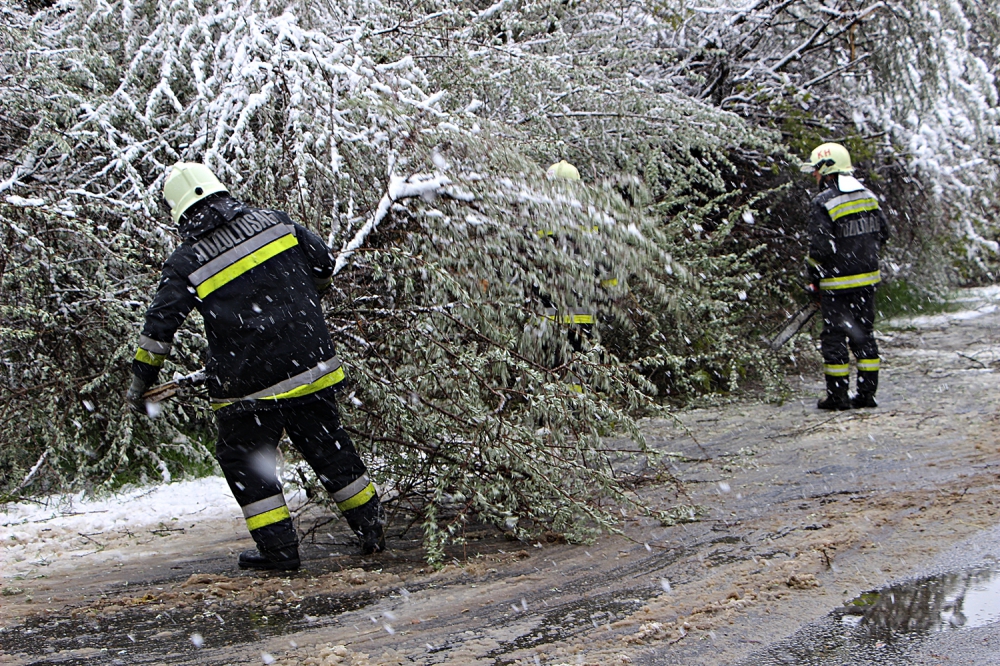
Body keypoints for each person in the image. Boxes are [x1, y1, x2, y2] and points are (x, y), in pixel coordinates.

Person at [126, 162, 385, 570]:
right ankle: (373, 530)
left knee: (244, 459)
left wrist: (140, 382)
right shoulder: (276, 223)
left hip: (249, 385)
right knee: (328, 445)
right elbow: (323, 266)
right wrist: (302, 305)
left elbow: (159, 330)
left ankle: (279, 552)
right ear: (220, 191)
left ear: (179, 212)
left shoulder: (187, 261)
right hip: (311, 365)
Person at [800, 143, 889, 410]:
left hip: (836, 284)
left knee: (834, 338)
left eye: (816, 169)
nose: (814, 175)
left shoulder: (823, 201)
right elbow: (884, 233)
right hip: (867, 282)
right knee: (864, 336)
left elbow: (820, 249)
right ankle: (866, 394)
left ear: (827, 169)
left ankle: (837, 397)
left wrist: (813, 275)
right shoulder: (868, 196)